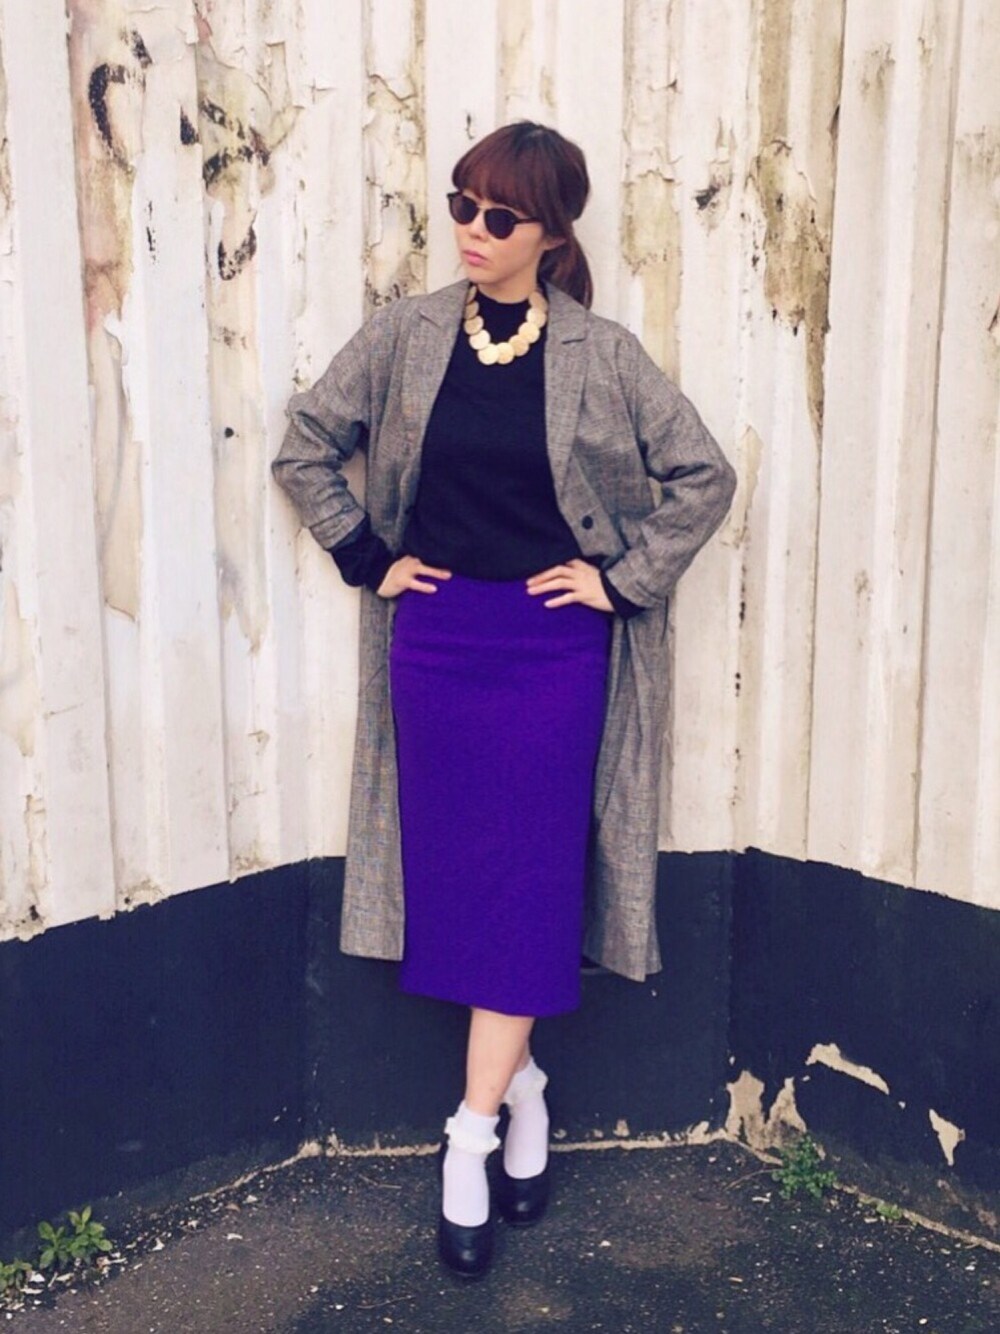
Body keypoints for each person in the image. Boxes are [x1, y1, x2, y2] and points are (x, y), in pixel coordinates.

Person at [272, 121, 736, 1279]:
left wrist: (619, 581)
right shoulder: (407, 334)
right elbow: (305, 443)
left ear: (549, 233)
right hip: (436, 644)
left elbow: (703, 474)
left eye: (499, 215)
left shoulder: (601, 354)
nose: (471, 231)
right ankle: (523, 1087)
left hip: (551, 653)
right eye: (461, 204)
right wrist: (367, 554)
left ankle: (469, 1137)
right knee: (459, 883)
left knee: (527, 883)